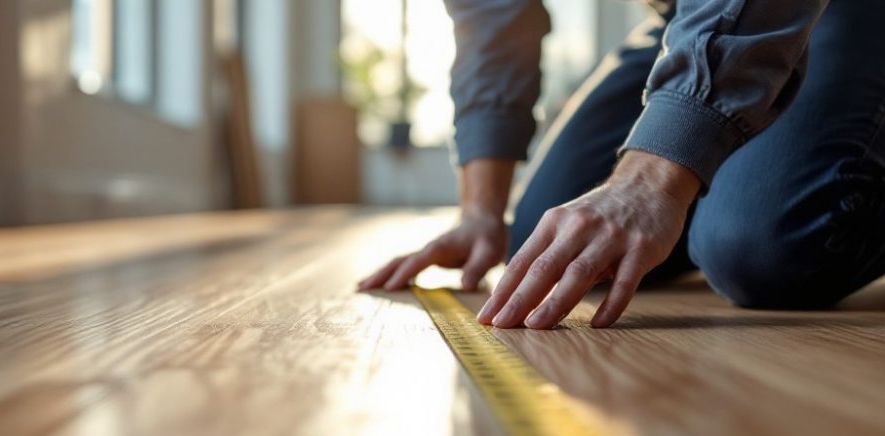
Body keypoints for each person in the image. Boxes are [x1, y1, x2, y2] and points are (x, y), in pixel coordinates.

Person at [359, 0, 885, 329]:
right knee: (548, 242)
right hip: (688, 15)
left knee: (766, 247)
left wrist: (652, 182)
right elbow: (493, 15)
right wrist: (480, 210)